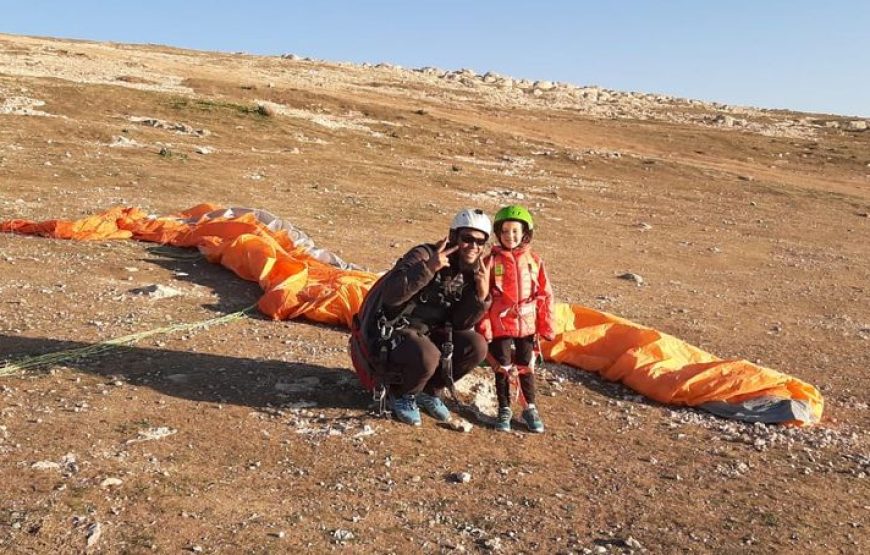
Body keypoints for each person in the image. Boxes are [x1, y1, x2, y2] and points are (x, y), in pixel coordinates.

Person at [349, 209, 492, 426]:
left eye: (480, 242)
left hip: (425, 335)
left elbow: (460, 323)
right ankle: (403, 395)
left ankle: (429, 391)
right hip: (390, 332)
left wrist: (480, 295)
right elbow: (392, 295)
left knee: (477, 345)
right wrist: (429, 269)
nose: (473, 246)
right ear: (454, 236)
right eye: (467, 239)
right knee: (429, 354)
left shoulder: (470, 272)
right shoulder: (423, 255)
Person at [478, 205, 555, 433]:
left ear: (525, 234)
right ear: (498, 233)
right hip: (500, 325)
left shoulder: (534, 261)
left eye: (515, 232)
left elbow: (545, 295)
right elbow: (482, 297)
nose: (509, 236)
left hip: (527, 325)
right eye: (505, 232)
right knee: (501, 367)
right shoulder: (490, 261)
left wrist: (546, 327)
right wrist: (485, 329)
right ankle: (504, 408)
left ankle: (529, 407)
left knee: (526, 366)